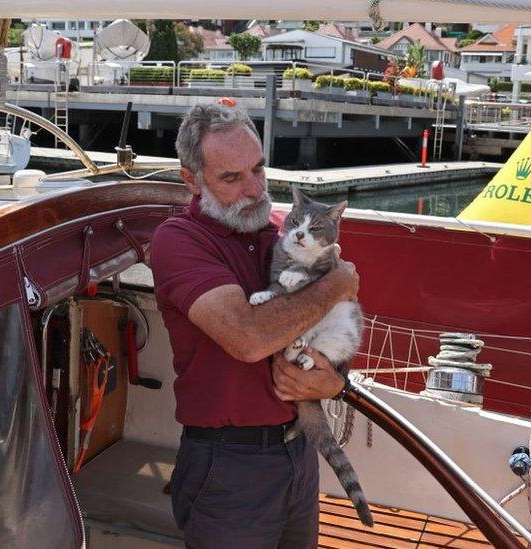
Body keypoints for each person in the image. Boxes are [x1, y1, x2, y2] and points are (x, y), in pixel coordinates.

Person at [149, 103, 360, 548]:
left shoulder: (280, 231)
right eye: (232, 178)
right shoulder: (179, 240)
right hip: (230, 467)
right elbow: (248, 339)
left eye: (258, 169)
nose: (255, 189)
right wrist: (337, 281)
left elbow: (338, 319)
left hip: (300, 450)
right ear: (192, 180)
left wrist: (332, 380)